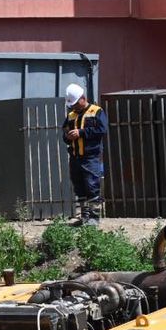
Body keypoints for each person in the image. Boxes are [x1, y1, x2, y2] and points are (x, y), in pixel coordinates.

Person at [62, 82, 107, 226]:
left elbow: (102, 130)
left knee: (92, 186)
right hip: (75, 157)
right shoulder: (71, 115)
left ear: (83, 98)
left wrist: (81, 133)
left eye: (75, 103)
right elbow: (65, 134)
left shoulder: (96, 111)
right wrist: (67, 137)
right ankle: (85, 217)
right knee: (79, 187)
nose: (74, 107)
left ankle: (94, 218)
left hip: (90, 157)